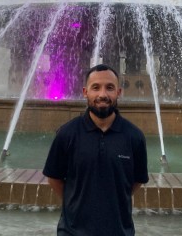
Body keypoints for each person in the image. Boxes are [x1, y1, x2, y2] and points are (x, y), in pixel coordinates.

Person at [43, 64, 149, 236]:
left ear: (118, 93)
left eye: (109, 88)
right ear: (85, 92)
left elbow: (137, 181)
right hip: (72, 232)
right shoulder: (67, 134)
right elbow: (53, 178)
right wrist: (75, 202)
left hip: (119, 231)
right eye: (96, 88)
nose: (102, 95)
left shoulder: (134, 137)